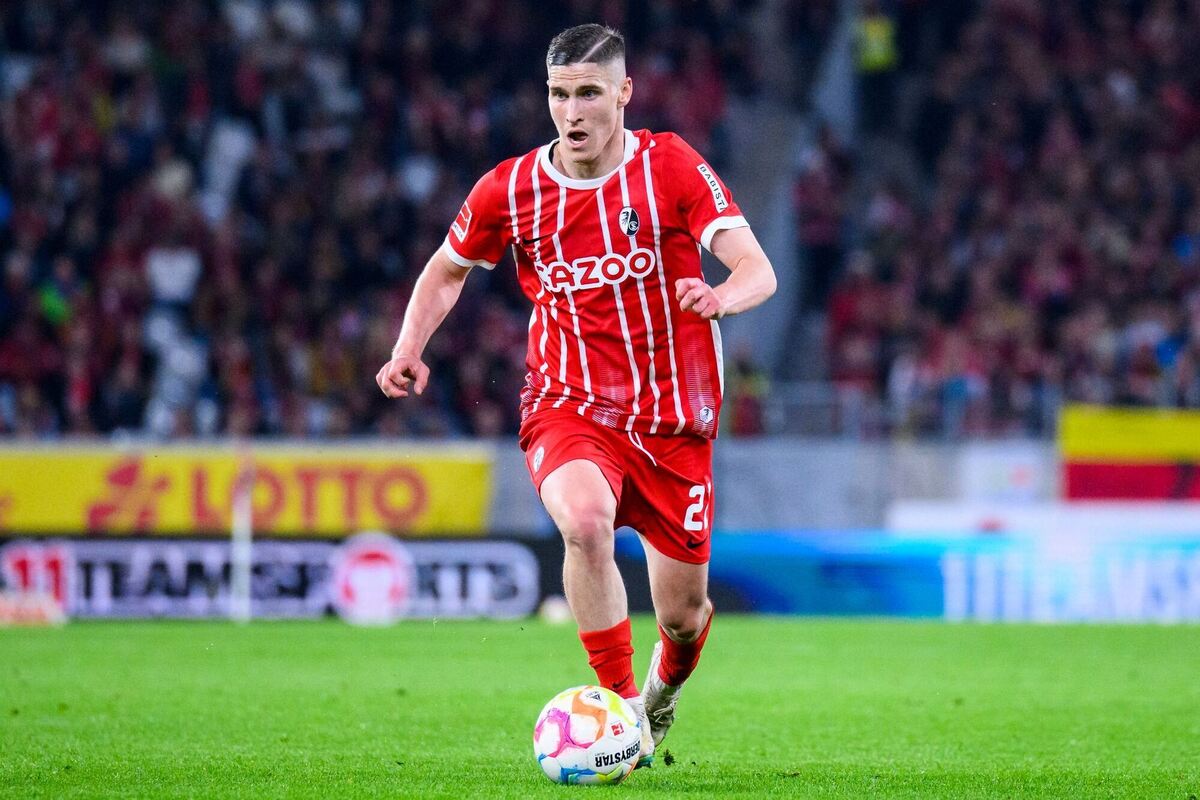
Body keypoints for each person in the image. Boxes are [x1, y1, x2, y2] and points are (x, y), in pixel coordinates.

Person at [376, 23, 776, 766]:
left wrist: (721, 297)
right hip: (568, 404)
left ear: (624, 93)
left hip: (674, 420)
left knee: (684, 618)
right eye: (559, 95)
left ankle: (659, 698)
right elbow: (446, 269)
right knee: (586, 524)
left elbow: (758, 268)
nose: (572, 111)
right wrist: (408, 348)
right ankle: (620, 716)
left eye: (589, 93)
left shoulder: (671, 167)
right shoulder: (511, 188)